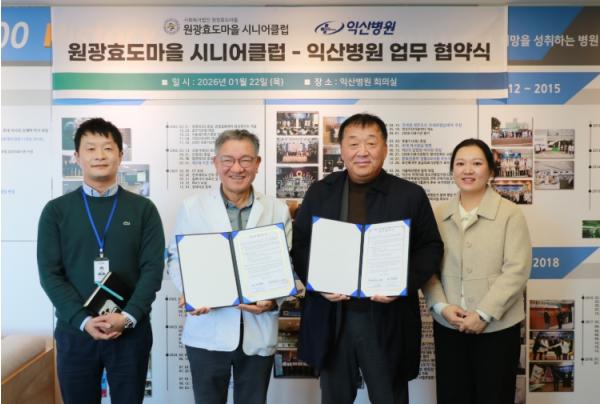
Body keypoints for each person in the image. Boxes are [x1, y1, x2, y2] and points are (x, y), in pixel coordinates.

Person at [292, 113, 443, 404]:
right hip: (333, 317)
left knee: (389, 396)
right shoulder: (321, 192)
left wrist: (401, 283)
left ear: (385, 149)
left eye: (371, 143)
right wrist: (318, 282)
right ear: (341, 150)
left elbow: (431, 247)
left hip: (387, 317)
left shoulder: (410, 195)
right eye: (353, 143)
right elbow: (300, 245)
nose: (362, 151)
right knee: (335, 397)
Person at [37, 118, 165, 404]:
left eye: (108, 148)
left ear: (120, 155)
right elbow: (49, 274)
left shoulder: (143, 209)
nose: (99, 155)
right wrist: (82, 320)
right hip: (76, 332)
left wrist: (127, 317)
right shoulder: (56, 211)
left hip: (130, 332)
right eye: (91, 148)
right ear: (76, 157)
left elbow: (152, 269)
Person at [167, 129, 292, 404]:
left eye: (245, 160)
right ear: (215, 163)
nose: (237, 168)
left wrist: (272, 301)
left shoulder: (277, 209)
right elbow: (176, 258)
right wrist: (192, 292)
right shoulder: (192, 208)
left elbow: (286, 265)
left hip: (258, 329)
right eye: (228, 160)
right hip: (207, 330)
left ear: (257, 163)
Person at [423, 138, 532, 404]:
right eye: (460, 163)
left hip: (497, 328)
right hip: (449, 326)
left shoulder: (510, 214)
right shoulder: (437, 214)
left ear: (491, 171)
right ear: (452, 170)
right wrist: (441, 306)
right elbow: (427, 267)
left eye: (476, 163)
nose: (468, 170)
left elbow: (517, 270)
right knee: (452, 396)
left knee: (494, 396)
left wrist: (483, 313)